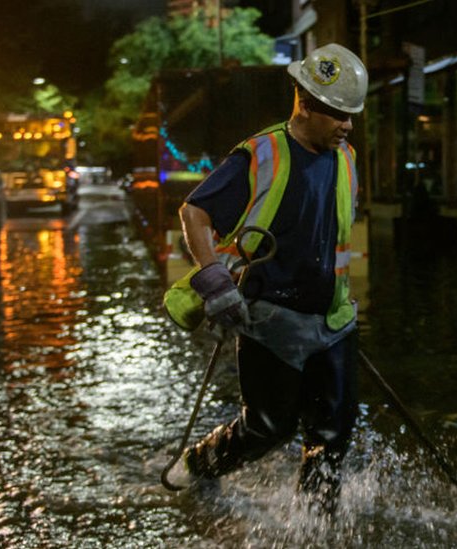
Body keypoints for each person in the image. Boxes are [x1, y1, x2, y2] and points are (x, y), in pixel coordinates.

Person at [166, 43, 368, 514]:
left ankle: (314, 528)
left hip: (333, 320)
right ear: (305, 102)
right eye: (339, 113)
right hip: (270, 319)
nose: (348, 125)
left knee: (334, 433)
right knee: (267, 429)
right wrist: (215, 281)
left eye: (352, 115)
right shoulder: (261, 155)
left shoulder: (347, 158)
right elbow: (194, 211)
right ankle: (199, 464)